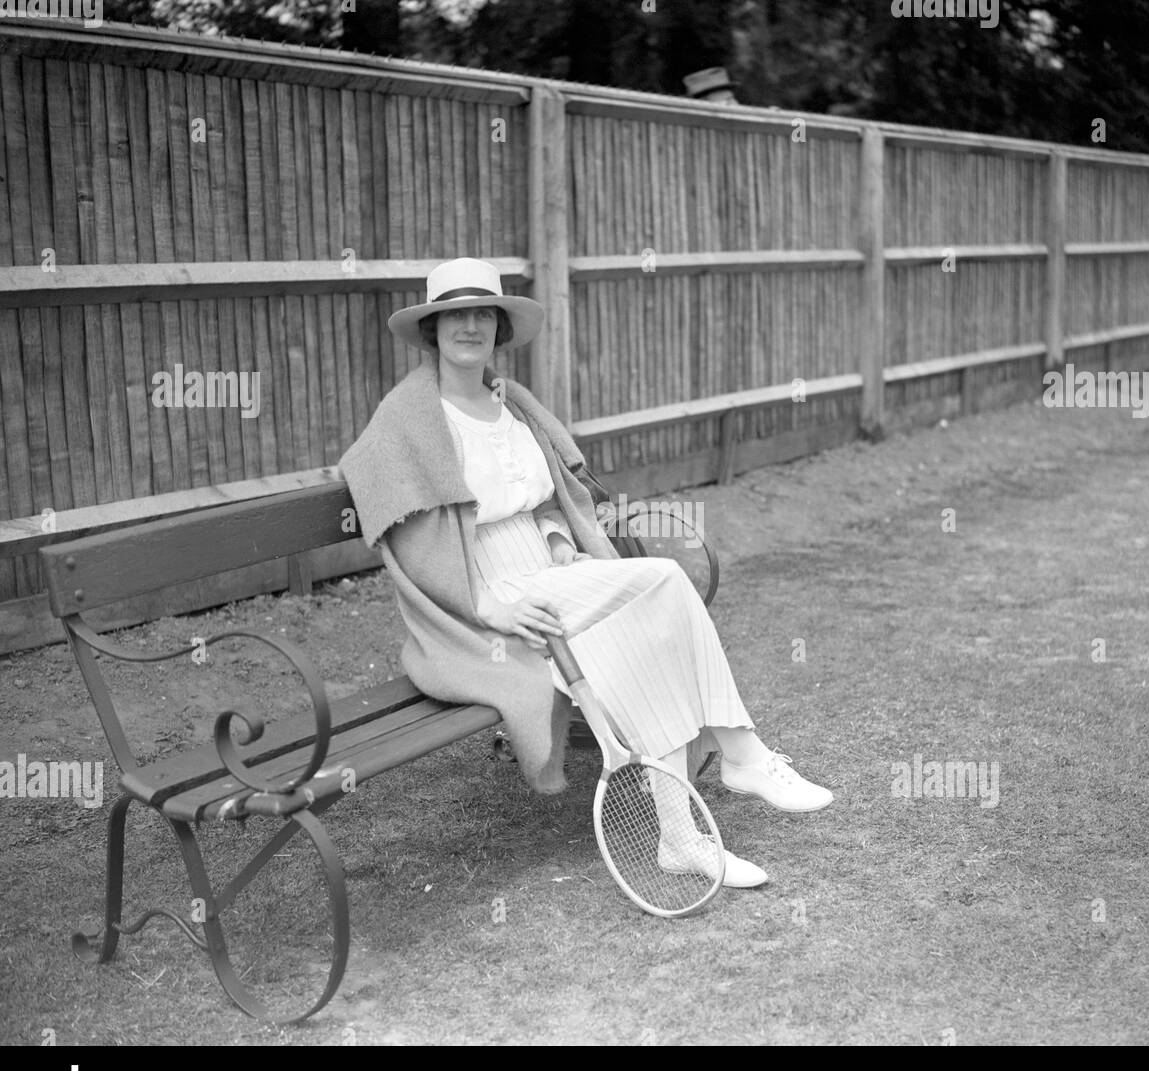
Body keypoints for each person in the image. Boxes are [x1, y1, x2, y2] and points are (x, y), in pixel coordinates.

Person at [339, 258, 832, 888]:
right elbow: (411, 542)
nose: (469, 325)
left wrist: (558, 540)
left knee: (646, 627)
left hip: (550, 573)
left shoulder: (510, 402)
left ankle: (684, 837)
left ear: (498, 326)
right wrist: (488, 607)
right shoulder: (406, 420)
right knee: (661, 583)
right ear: (431, 331)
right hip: (490, 591)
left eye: (482, 313)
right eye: (452, 315)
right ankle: (741, 757)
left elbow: (544, 497)